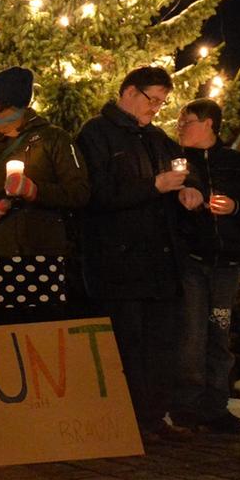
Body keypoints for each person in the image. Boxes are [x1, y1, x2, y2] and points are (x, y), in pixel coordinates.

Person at [75, 66, 187, 438]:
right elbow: (98, 195)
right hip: (119, 261)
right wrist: (155, 185)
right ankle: (130, 420)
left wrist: (191, 189)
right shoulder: (96, 135)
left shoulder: (155, 137)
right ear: (129, 92)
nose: (156, 108)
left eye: (162, 102)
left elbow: (183, 167)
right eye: (152, 99)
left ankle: (154, 416)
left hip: (158, 260)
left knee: (160, 342)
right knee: (129, 343)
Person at [169, 98, 240, 433]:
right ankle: (186, 405)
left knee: (218, 332)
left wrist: (235, 208)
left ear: (209, 124)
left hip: (226, 262)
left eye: (187, 120)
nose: (180, 126)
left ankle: (215, 406)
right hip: (189, 260)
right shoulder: (175, 163)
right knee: (190, 334)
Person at [0, 66, 90, 326]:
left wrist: (35, 190)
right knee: (5, 335)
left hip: (44, 256)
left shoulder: (54, 140)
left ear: (12, 105)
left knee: (46, 331)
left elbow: (79, 192)